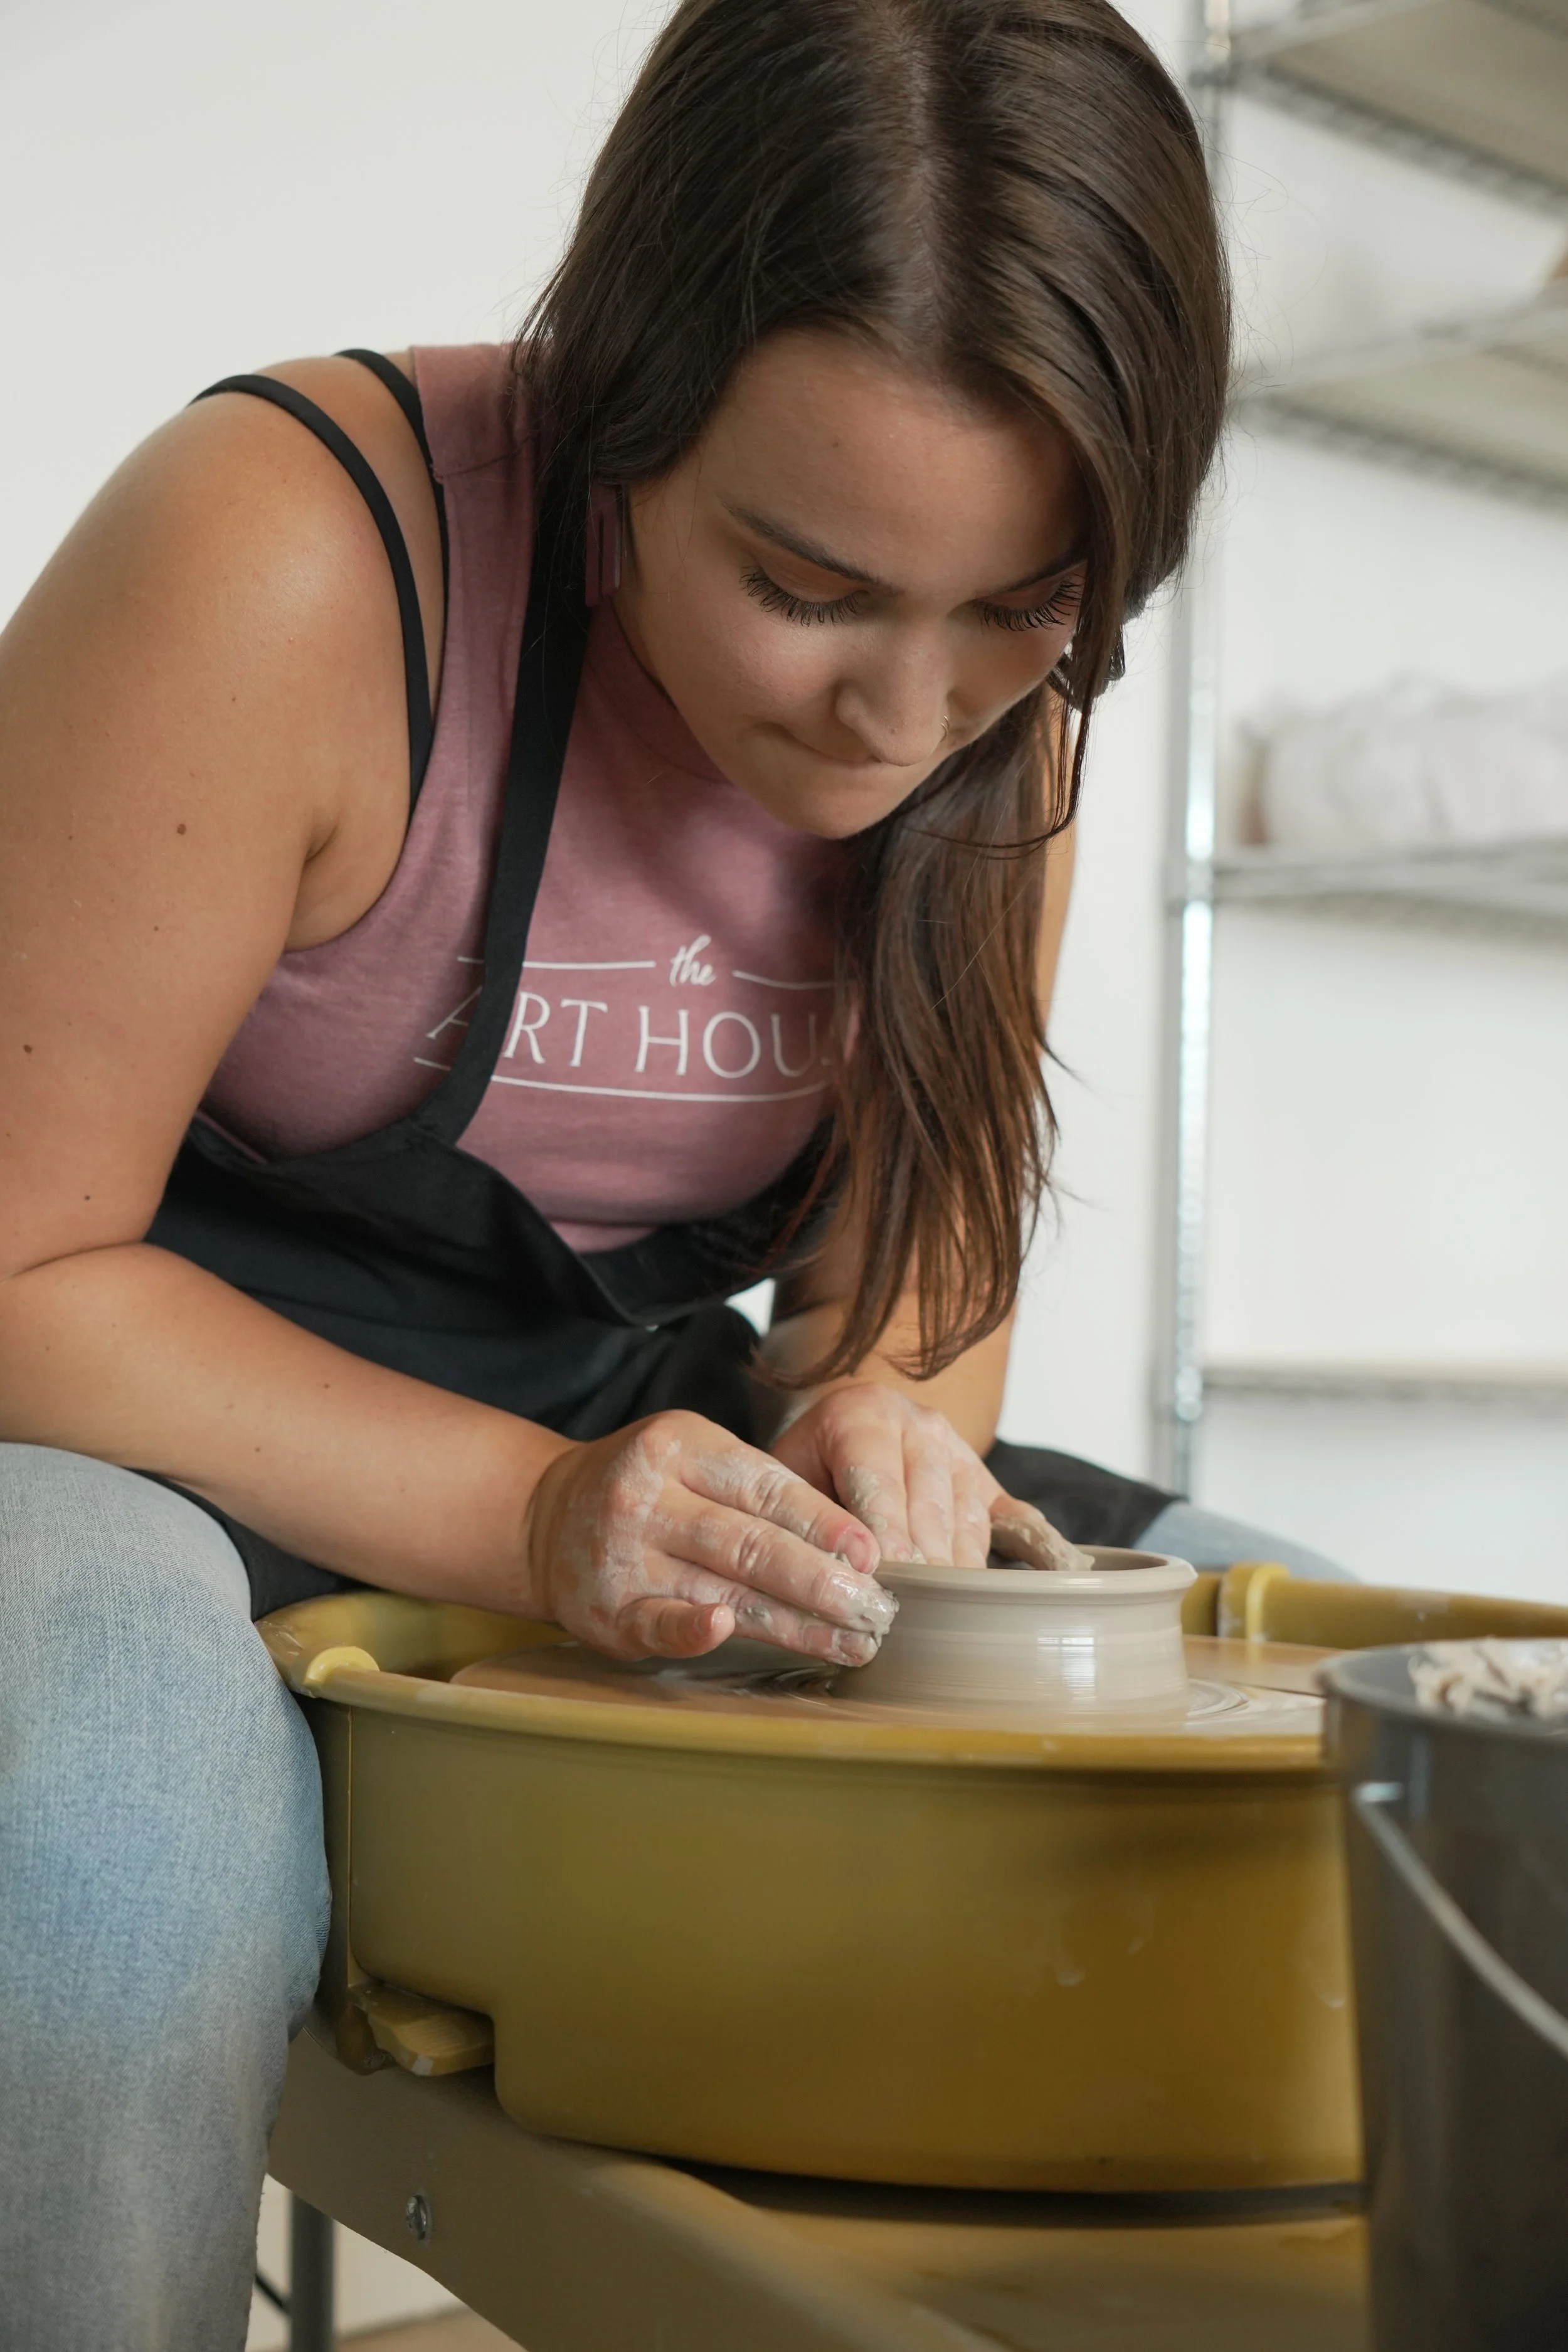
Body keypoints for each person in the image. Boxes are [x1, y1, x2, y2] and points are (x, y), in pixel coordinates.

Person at [0, 0, 1338, 2340]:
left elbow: (897, 1321)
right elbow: (21, 1256)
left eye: (1023, 610)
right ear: (619, 415)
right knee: (103, 1803)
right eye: (806, 587)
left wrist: (883, 1447)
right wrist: (538, 1514)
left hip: (632, 1436)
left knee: (1367, 1723)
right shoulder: (290, 551)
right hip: (124, 1424)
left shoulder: (993, 716)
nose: (904, 719)